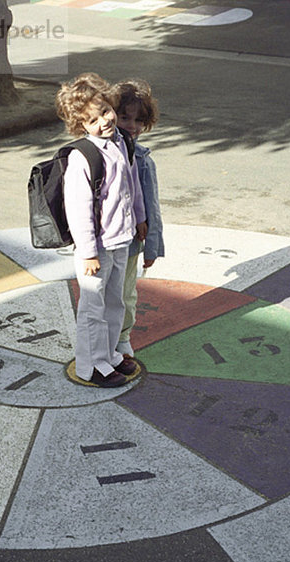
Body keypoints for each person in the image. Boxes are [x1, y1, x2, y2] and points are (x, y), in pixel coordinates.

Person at [55, 72, 148, 388]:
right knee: (93, 307)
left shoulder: (122, 142)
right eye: (92, 120)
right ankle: (89, 365)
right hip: (95, 249)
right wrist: (88, 252)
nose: (104, 122)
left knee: (114, 303)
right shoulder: (83, 155)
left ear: (111, 104)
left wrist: (139, 217)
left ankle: (108, 356)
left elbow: (132, 185)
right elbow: (78, 209)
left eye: (106, 112)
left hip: (121, 239)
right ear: (81, 125)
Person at [113, 79, 165, 359]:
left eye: (139, 120)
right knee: (100, 293)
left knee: (125, 293)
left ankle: (122, 337)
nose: (132, 126)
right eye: (124, 117)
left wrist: (152, 246)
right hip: (102, 241)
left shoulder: (143, 159)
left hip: (131, 242)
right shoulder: (99, 153)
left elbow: (151, 206)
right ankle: (100, 339)